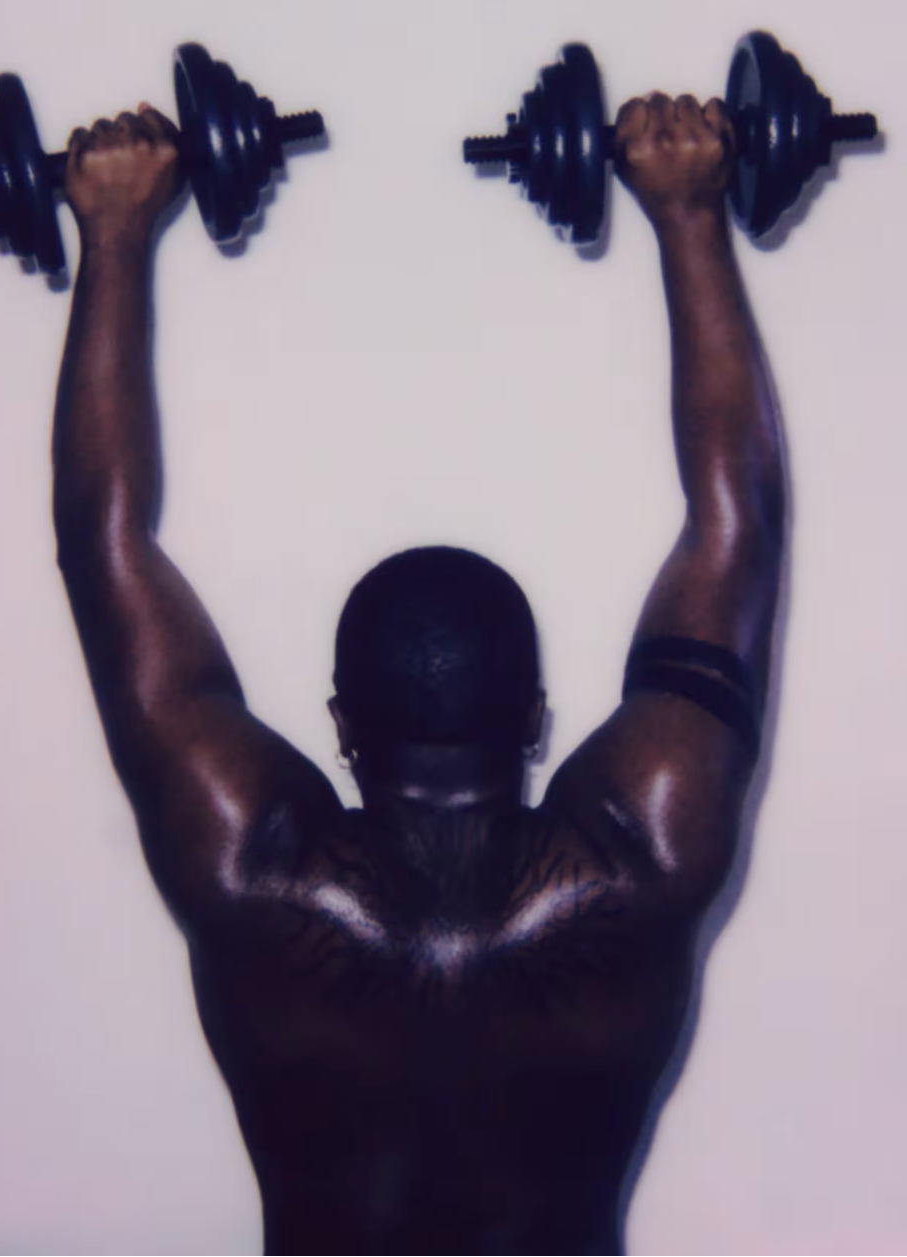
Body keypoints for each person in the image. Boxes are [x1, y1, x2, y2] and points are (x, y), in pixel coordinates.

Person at [53, 92, 785, 1257]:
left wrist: (114, 231)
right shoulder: (647, 856)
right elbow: (736, 527)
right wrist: (690, 215)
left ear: (343, 725)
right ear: (536, 718)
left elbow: (105, 543)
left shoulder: (246, 869)